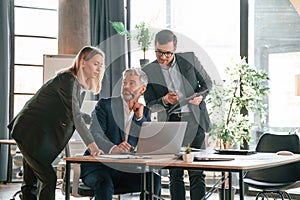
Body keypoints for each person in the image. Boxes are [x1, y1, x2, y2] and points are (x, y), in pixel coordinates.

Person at [7, 46, 105, 200]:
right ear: (83, 62)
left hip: (35, 135)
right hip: (29, 133)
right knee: (48, 178)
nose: (99, 68)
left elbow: (76, 113)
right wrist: (92, 146)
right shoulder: (67, 80)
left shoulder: (77, 85)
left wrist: (97, 119)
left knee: (30, 182)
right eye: (95, 63)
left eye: (101, 64)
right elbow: (75, 116)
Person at [142, 29, 212, 200]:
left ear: (174, 49)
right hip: (172, 123)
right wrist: (165, 100)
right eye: (159, 52)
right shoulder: (148, 70)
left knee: (196, 172)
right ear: (155, 48)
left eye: (167, 53)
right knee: (175, 174)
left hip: (194, 121)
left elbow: (207, 83)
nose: (163, 57)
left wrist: (200, 96)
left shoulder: (189, 59)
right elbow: (150, 103)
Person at [80, 68, 161, 200]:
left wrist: (140, 119)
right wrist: (113, 149)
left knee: (153, 180)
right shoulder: (105, 105)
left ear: (143, 89)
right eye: (124, 83)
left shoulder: (145, 112)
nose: (126, 87)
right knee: (105, 184)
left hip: (124, 169)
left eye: (131, 83)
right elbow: (95, 133)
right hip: (98, 167)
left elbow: (147, 142)